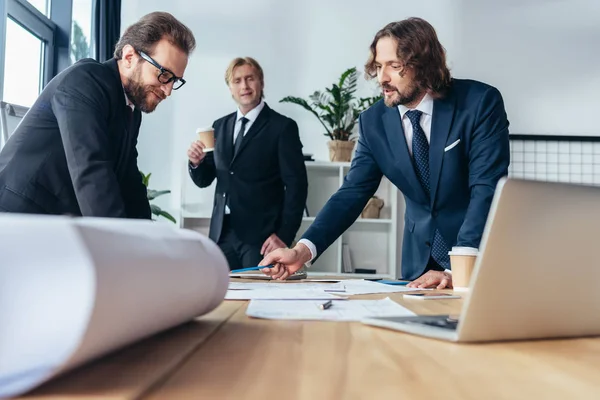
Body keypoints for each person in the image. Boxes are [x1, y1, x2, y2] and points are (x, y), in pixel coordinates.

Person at [260, 17, 510, 289]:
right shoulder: (373, 122)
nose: (382, 78)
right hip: (418, 266)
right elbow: (353, 192)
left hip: (477, 257)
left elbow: (486, 188)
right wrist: (302, 251)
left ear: (424, 65)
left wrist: (456, 271)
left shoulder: (479, 103)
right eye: (378, 66)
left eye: (394, 65)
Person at [0, 12, 195, 218]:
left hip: (52, 222)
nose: (168, 90)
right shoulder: (85, 81)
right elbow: (93, 172)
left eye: (175, 81)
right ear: (129, 57)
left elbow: (130, 183)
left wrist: (150, 237)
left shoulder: (131, 110)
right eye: (164, 75)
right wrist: (123, 248)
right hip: (16, 216)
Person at [187, 57, 308, 270]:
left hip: (262, 239)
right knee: (221, 297)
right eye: (237, 81)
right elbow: (206, 179)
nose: (244, 86)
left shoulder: (283, 127)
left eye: (250, 79)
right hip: (221, 234)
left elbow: (297, 186)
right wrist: (196, 163)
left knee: (259, 298)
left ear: (261, 82)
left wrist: (284, 235)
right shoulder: (219, 126)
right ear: (230, 88)